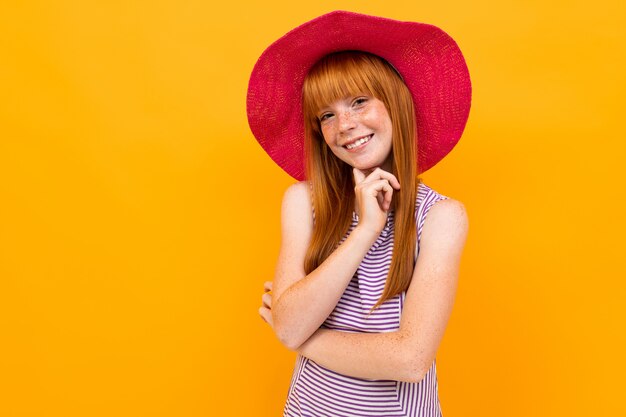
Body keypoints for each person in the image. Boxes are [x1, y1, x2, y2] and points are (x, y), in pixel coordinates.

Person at [247, 10, 472, 417]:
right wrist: (366, 229)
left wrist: (300, 338)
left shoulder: (440, 217)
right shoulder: (303, 201)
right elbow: (290, 321)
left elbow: (410, 359)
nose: (344, 125)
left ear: (396, 101)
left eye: (359, 101)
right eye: (327, 115)